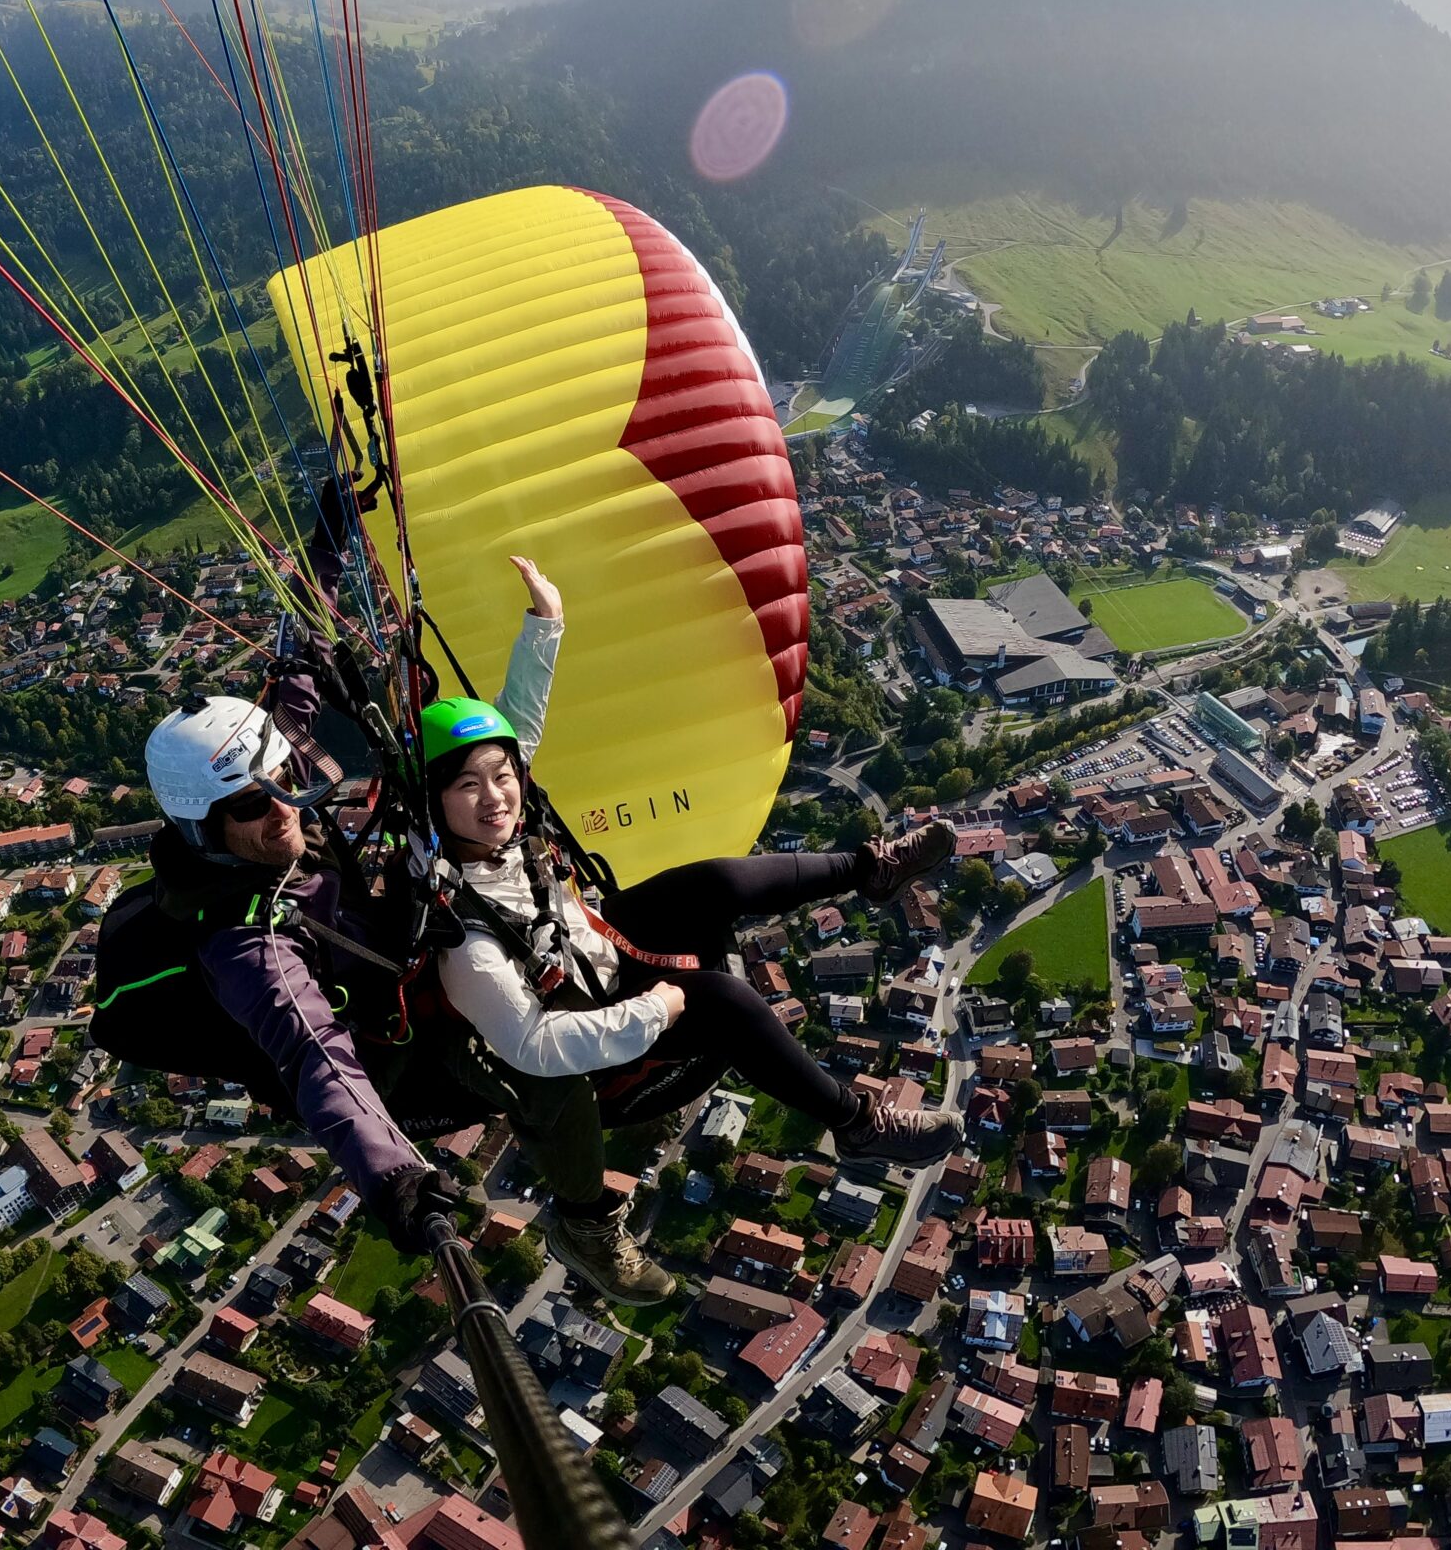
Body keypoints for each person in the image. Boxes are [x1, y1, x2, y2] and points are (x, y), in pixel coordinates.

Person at [414, 555, 961, 1300]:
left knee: (716, 881)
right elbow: (534, 1047)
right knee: (720, 999)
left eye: (501, 776)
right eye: (468, 787)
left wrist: (546, 619)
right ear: (435, 804)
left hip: (596, 950)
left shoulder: (502, 814)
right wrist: (656, 1009)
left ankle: (872, 870)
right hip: (591, 1030)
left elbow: (522, 721)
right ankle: (857, 1123)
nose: (495, 797)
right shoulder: (465, 940)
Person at [90, 489, 464, 1255]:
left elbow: (300, 654)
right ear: (210, 832)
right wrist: (394, 1180)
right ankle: (591, 1218)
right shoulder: (245, 946)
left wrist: (332, 530)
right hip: (389, 1071)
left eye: (287, 777)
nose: (286, 807)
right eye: (257, 803)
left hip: (383, 951)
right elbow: (313, 1052)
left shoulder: (259, 773)